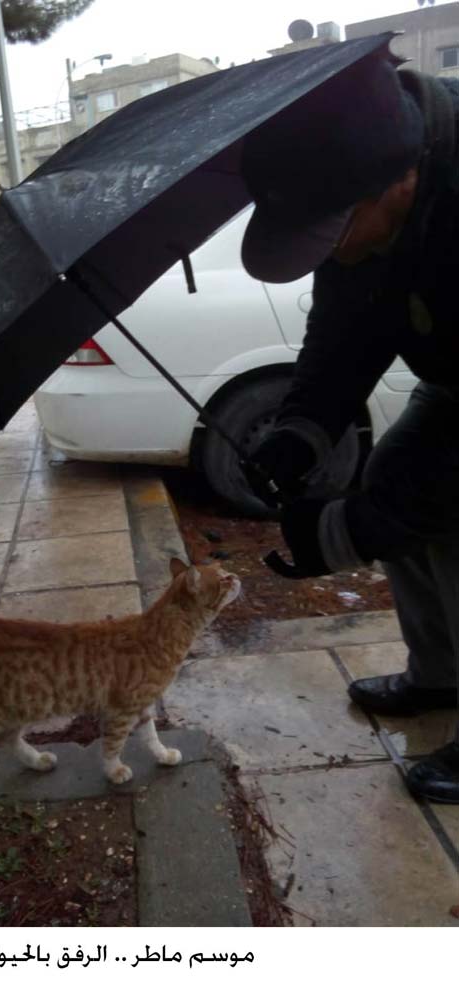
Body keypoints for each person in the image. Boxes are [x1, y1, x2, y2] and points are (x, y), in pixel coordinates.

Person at [238, 49, 459, 804]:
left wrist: (341, 534)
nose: (330, 250)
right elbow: (341, 331)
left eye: (336, 230)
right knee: (396, 473)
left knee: (432, 509)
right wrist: (296, 432)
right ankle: (441, 676)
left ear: (402, 176)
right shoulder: (358, 186)